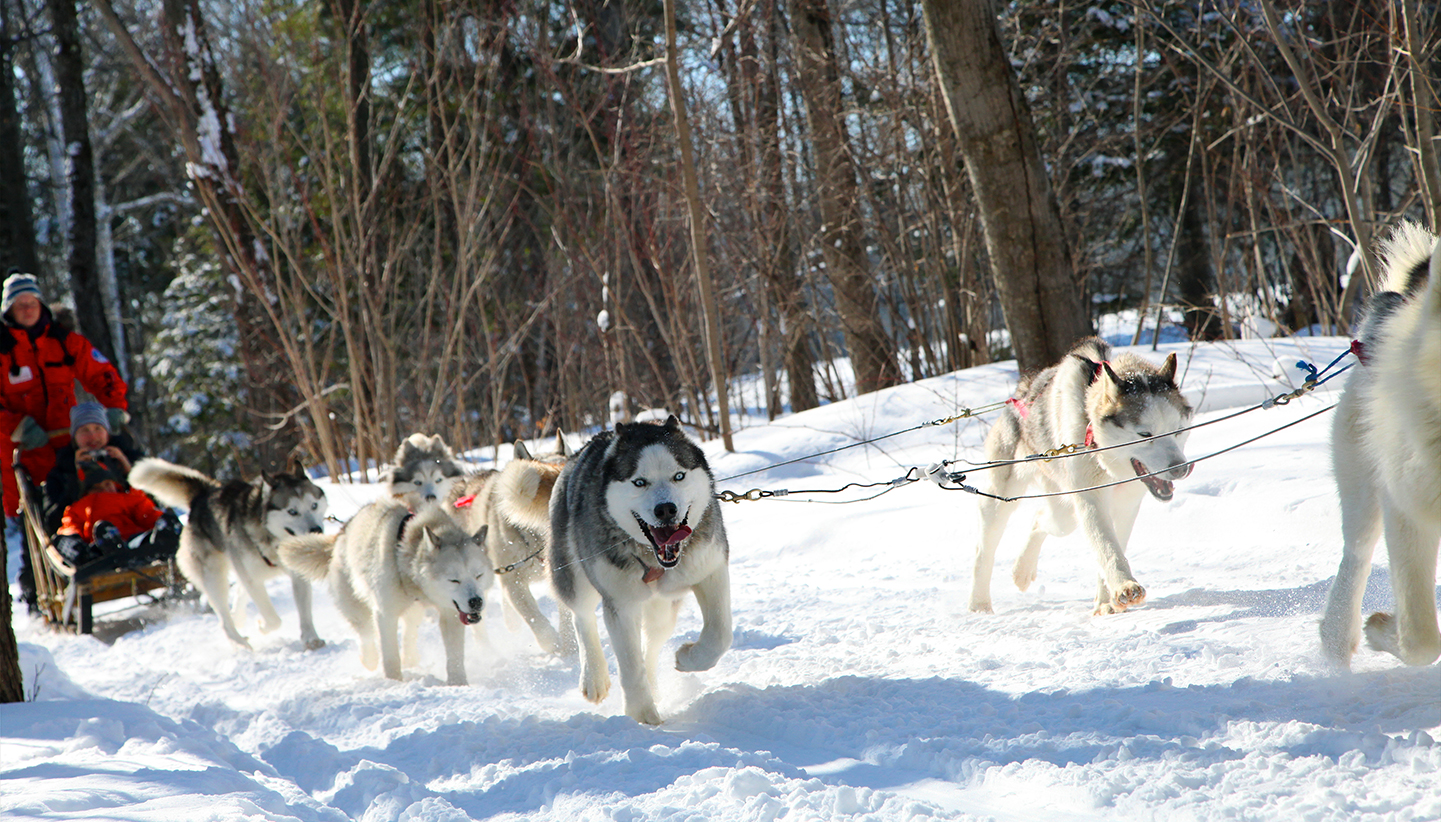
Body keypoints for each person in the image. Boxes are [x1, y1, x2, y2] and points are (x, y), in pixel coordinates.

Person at [1, 271, 129, 607]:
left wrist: (115, 409)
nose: (27, 309)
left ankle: (98, 555)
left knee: (80, 501)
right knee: (36, 519)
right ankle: (35, 588)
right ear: (9, 310)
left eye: (32, 303)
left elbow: (103, 374)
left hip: (68, 446)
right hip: (25, 451)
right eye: (20, 305)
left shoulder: (63, 341)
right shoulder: (2, 352)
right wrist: (19, 427)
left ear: (41, 304)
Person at [53, 455, 180, 570]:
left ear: (115, 484)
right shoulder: (77, 508)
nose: (103, 489)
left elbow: (147, 514)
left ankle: (164, 542)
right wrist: (71, 538)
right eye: (96, 488)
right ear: (86, 492)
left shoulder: (129, 499)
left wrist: (160, 522)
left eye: (107, 484)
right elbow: (70, 527)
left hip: (134, 543)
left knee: (154, 532)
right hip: (100, 548)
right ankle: (91, 556)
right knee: (102, 533)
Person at [43, 402, 144, 535]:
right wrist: (77, 477)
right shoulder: (61, 472)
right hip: (87, 534)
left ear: (107, 433)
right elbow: (52, 523)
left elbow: (153, 501)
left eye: (98, 428)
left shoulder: (129, 457)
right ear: (75, 438)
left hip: (134, 526)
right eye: (85, 430)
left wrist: (126, 468)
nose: (93, 436)